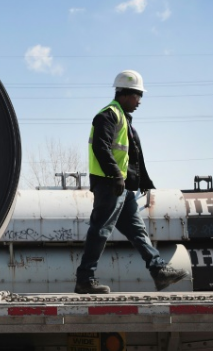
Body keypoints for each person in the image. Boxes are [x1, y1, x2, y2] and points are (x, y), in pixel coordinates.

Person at [74, 70, 189, 294]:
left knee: (137, 230)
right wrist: (116, 175)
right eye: (138, 95)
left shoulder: (124, 120)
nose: (140, 101)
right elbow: (101, 147)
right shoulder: (108, 115)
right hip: (110, 184)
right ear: (125, 94)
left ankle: (159, 272)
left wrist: (142, 180)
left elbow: (132, 154)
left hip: (121, 186)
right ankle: (85, 280)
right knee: (100, 230)